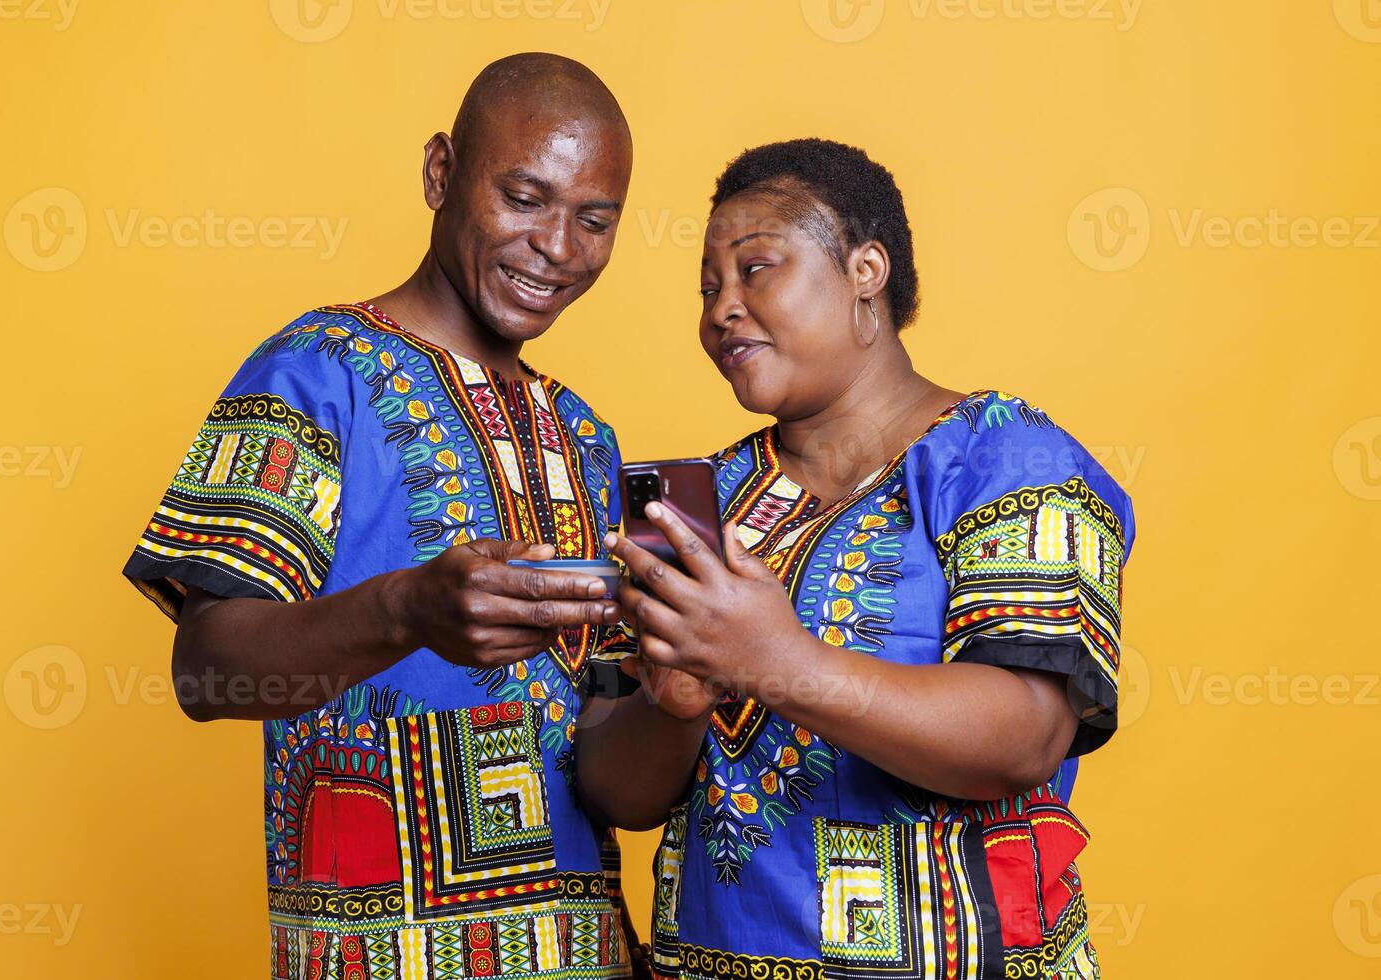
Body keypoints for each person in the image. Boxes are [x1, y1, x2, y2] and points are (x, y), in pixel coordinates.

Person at [122, 53, 642, 978]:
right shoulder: (312, 373)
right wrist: (404, 611)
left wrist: (685, 677)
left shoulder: (588, 439)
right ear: (442, 173)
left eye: (593, 220)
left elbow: (608, 765)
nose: (559, 246)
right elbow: (206, 674)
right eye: (525, 198)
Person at [577, 138, 1135, 980]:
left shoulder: (1006, 459)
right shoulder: (703, 502)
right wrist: (676, 700)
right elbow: (620, 793)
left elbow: (1026, 735)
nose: (722, 308)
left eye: (755, 269)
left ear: (865, 270)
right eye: (706, 289)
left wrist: (777, 662)